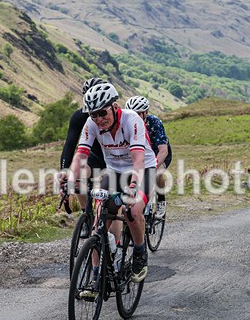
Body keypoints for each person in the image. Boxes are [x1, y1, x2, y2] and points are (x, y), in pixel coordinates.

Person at [62, 82, 156, 295]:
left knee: (132, 211)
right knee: (98, 225)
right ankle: (96, 278)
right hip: (114, 172)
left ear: (114, 107)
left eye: (102, 113)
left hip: (142, 170)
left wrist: (133, 185)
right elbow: (80, 155)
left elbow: (138, 159)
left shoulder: (132, 120)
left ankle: (140, 252)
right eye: (93, 115)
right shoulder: (91, 124)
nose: (99, 119)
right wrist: (70, 180)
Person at [59, 77, 107, 216]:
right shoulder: (79, 117)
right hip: (95, 157)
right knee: (77, 176)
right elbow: (70, 145)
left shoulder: (113, 115)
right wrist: (64, 173)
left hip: (115, 157)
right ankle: (86, 215)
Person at [125, 96, 171, 218]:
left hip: (158, 153)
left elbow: (163, 150)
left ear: (146, 112)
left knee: (156, 173)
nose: (135, 117)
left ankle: (161, 200)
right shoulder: (127, 123)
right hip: (140, 155)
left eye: (138, 114)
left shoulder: (155, 123)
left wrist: (152, 168)